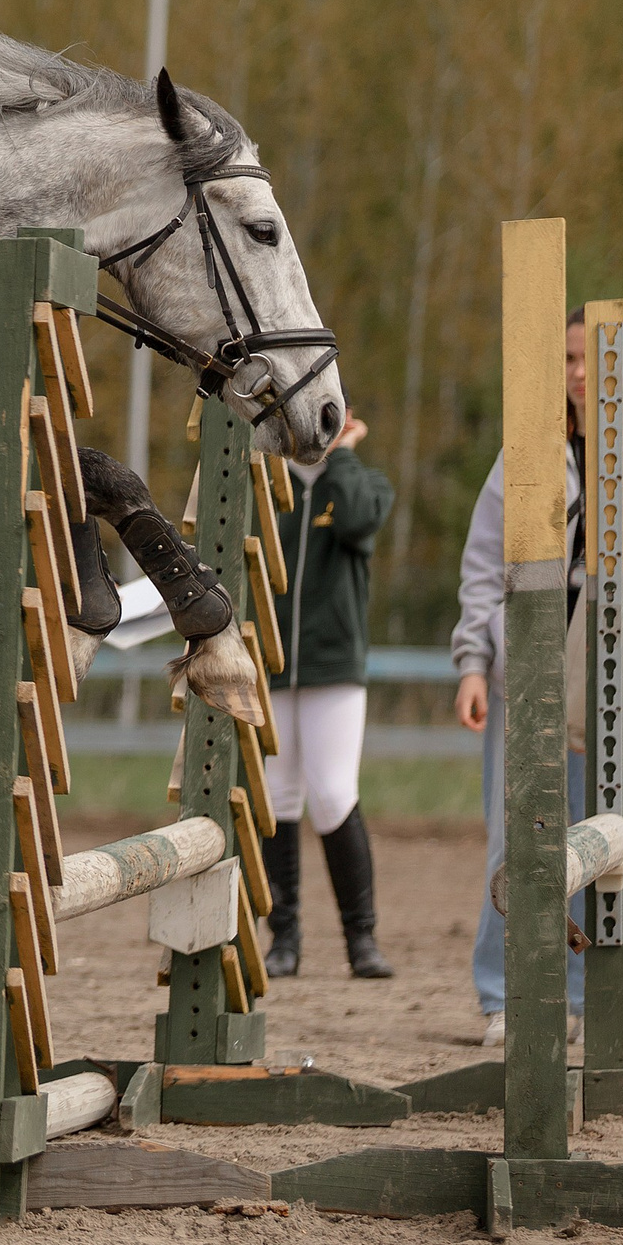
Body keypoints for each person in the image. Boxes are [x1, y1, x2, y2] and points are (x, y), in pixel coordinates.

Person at [451, 308, 623, 1047]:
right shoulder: (529, 448)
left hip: (615, 673)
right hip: (526, 670)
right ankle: (501, 991)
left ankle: (583, 994)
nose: (577, 372)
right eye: (567, 358)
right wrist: (473, 664)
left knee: (602, 831)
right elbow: (483, 565)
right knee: (513, 832)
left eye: (589, 358)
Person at [257, 412, 396, 979]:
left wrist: (340, 455)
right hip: (273, 667)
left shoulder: (363, 483)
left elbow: (357, 522)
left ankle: (360, 938)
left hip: (333, 668)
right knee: (279, 796)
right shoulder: (266, 487)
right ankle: (283, 937)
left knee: (334, 795)